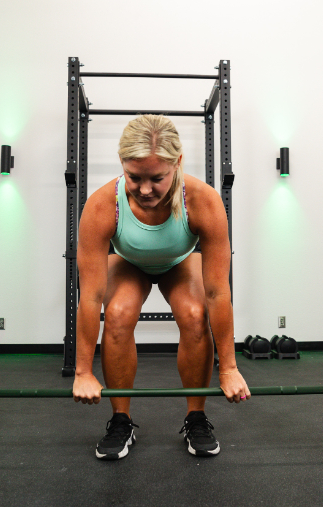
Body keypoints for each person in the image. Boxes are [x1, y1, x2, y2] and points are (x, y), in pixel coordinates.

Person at [72, 114, 251, 460]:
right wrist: (82, 371)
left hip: (180, 262)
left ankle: (196, 417)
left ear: (177, 163)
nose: (144, 189)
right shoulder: (101, 205)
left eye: (157, 178)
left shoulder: (203, 201)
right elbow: (91, 296)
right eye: (133, 177)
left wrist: (228, 368)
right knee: (119, 313)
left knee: (196, 313)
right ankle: (120, 421)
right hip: (128, 263)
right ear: (122, 165)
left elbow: (218, 292)